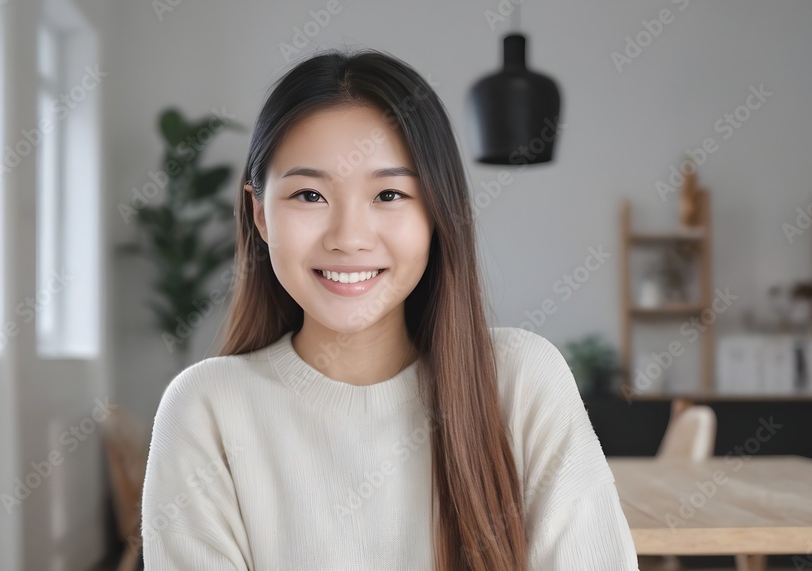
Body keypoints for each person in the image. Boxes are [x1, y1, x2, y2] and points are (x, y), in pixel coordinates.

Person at [140, 47, 639, 571]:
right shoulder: (206, 408)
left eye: (389, 194)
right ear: (260, 216)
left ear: (437, 212)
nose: (349, 238)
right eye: (309, 195)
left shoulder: (520, 379)